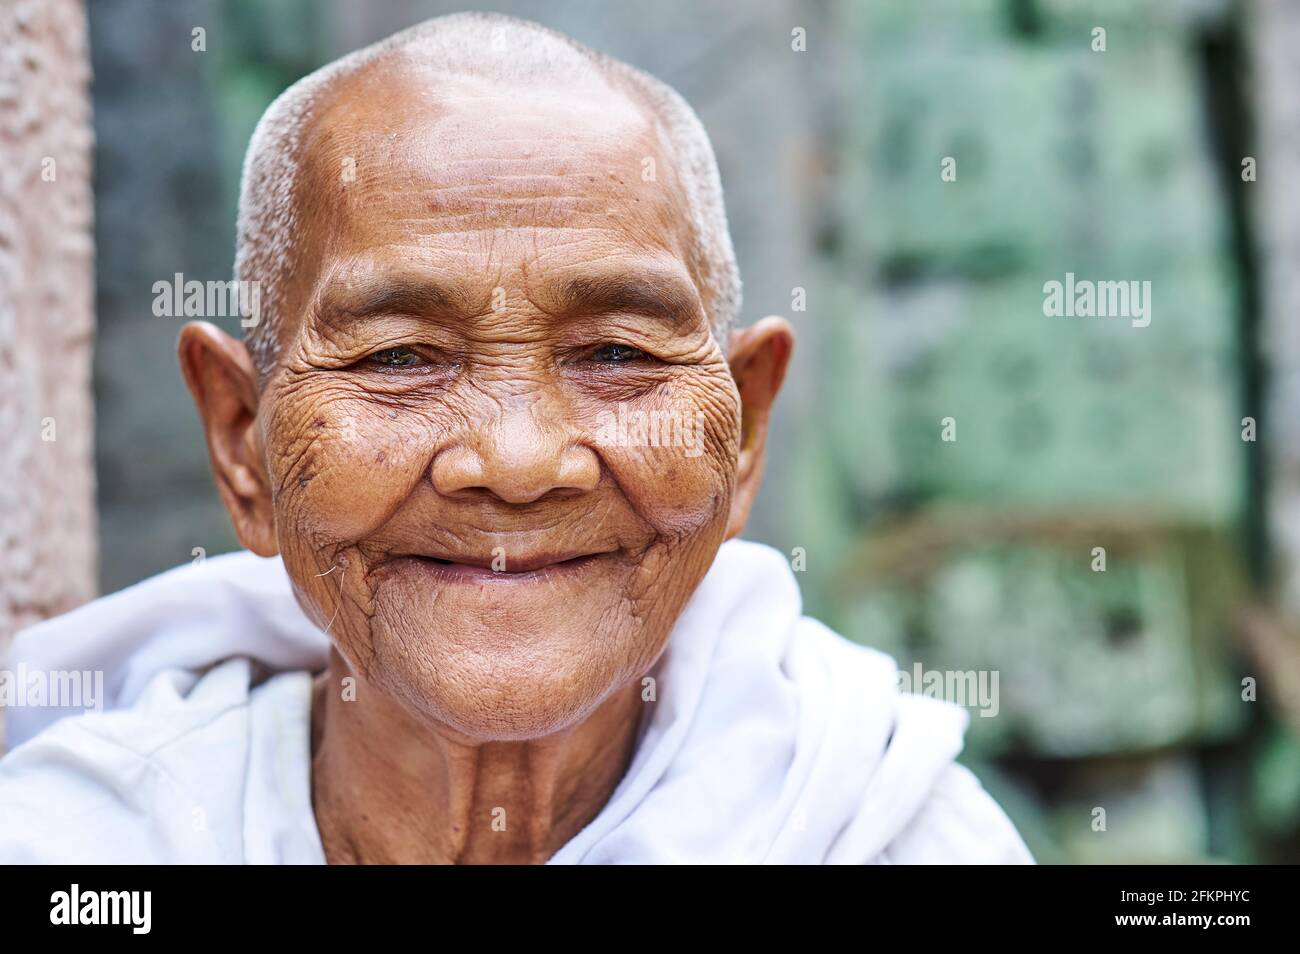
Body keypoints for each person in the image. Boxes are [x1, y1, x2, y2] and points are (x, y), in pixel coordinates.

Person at [0, 12, 1032, 864]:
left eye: (619, 355)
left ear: (746, 430)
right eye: (400, 359)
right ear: (241, 442)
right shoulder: (83, 851)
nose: (518, 460)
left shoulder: (892, 837)